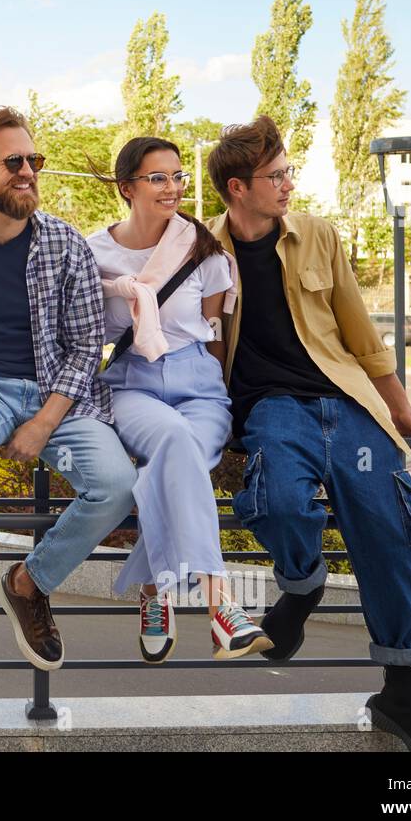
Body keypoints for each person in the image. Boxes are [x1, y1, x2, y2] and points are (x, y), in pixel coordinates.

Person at [206, 115, 411, 752]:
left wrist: (398, 406)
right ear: (238, 188)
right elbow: (199, 344)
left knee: (393, 532)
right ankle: (302, 585)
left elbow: (357, 328)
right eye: (277, 175)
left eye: (289, 171)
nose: (290, 183)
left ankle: (401, 691)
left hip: (346, 403)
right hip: (271, 410)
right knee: (280, 502)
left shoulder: (317, 234)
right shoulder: (203, 250)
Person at [0, 106, 138, 671]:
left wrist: (43, 423)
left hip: (56, 393)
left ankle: (28, 582)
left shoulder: (67, 246)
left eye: (33, 160)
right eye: (12, 161)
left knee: (115, 486)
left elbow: (88, 347)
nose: (28, 171)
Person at [88, 136, 271, 662]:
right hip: (132, 381)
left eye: (177, 177)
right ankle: (222, 603)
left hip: (199, 383)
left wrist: (222, 393)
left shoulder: (201, 246)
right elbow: (82, 333)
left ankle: (154, 590)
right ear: (127, 188)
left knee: (174, 456)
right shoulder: (92, 251)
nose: (173, 188)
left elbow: (214, 332)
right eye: (158, 178)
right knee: (173, 442)